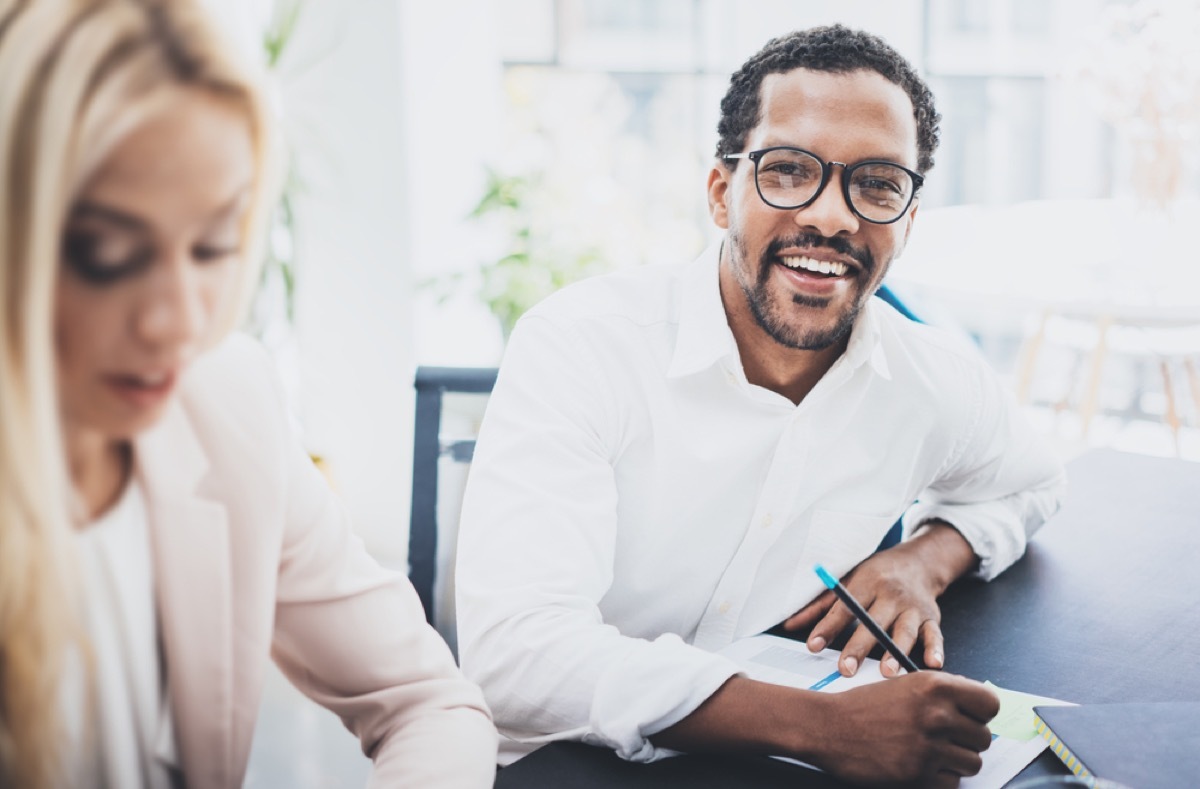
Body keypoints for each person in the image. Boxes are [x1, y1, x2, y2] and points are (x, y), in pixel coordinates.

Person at [455, 24, 1065, 787]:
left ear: (907, 221)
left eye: (876, 184)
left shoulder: (927, 375)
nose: (833, 216)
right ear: (722, 193)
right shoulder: (582, 346)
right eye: (787, 170)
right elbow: (517, 654)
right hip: (571, 760)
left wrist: (925, 558)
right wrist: (823, 726)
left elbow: (1034, 481)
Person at [0, 1, 496, 787]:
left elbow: (429, 702)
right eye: (108, 252)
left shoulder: (225, 403)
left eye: (213, 246)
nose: (178, 321)